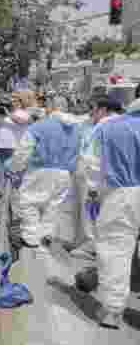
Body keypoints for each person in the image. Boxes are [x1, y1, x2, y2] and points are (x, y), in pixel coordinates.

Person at [76, 92, 140, 329]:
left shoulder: (108, 129)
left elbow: (90, 166)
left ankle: (112, 311)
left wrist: (93, 194)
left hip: (122, 195)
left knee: (116, 250)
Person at [6, 95, 81, 248]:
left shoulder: (40, 126)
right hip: (65, 173)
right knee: (53, 205)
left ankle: (31, 237)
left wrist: (14, 168)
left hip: (40, 170)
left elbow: (23, 151)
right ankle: (47, 234)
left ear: (50, 108)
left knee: (28, 202)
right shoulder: (76, 129)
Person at [67, 97, 120, 261]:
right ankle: (82, 241)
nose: (91, 113)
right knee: (84, 209)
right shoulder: (98, 124)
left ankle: (91, 246)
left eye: (94, 109)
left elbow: (99, 154)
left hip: (94, 174)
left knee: (90, 211)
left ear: (103, 110)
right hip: (90, 172)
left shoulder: (108, 125)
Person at [0, 94, 31, 197]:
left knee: (12, 170)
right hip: (0, 145)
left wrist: (8, 114)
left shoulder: (23, 113)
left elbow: (21, 121)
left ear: (20, 102)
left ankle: (14, 191)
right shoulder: (1, 113)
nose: (12, 102)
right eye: (11, 101)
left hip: (13, 146)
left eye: (14, 101)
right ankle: (0, 191)